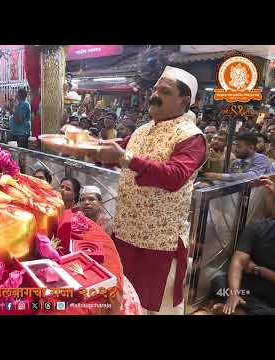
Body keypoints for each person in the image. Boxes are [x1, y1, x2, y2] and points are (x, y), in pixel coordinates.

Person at [95, 66, 207, 314]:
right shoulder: (142, 130)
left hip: (159, 242)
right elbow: (115, 155)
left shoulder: (192, 137)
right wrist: (86, 145)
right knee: (123, 296)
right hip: (126, 230)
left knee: (156, 305)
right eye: (155, 89)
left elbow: (175, 176)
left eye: (164, 91)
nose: (154, 95)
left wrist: (127, 158)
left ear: (184, 100)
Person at [210, 180, 275, 314]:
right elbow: (238, 261)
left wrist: (258, 270)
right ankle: (245, 306)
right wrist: (233, 293)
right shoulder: (258, 227)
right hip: (251, 288)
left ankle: (244, 310)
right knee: (219, 283)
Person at [203, 132, 270, 183]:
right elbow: (230, 180)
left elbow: (253, 176)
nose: (235, 150)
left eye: (239, 146)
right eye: (235, 146)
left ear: (251, 147)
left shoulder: (260, 159)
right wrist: (211, 184)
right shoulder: (236, 162)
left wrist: (219, 176)